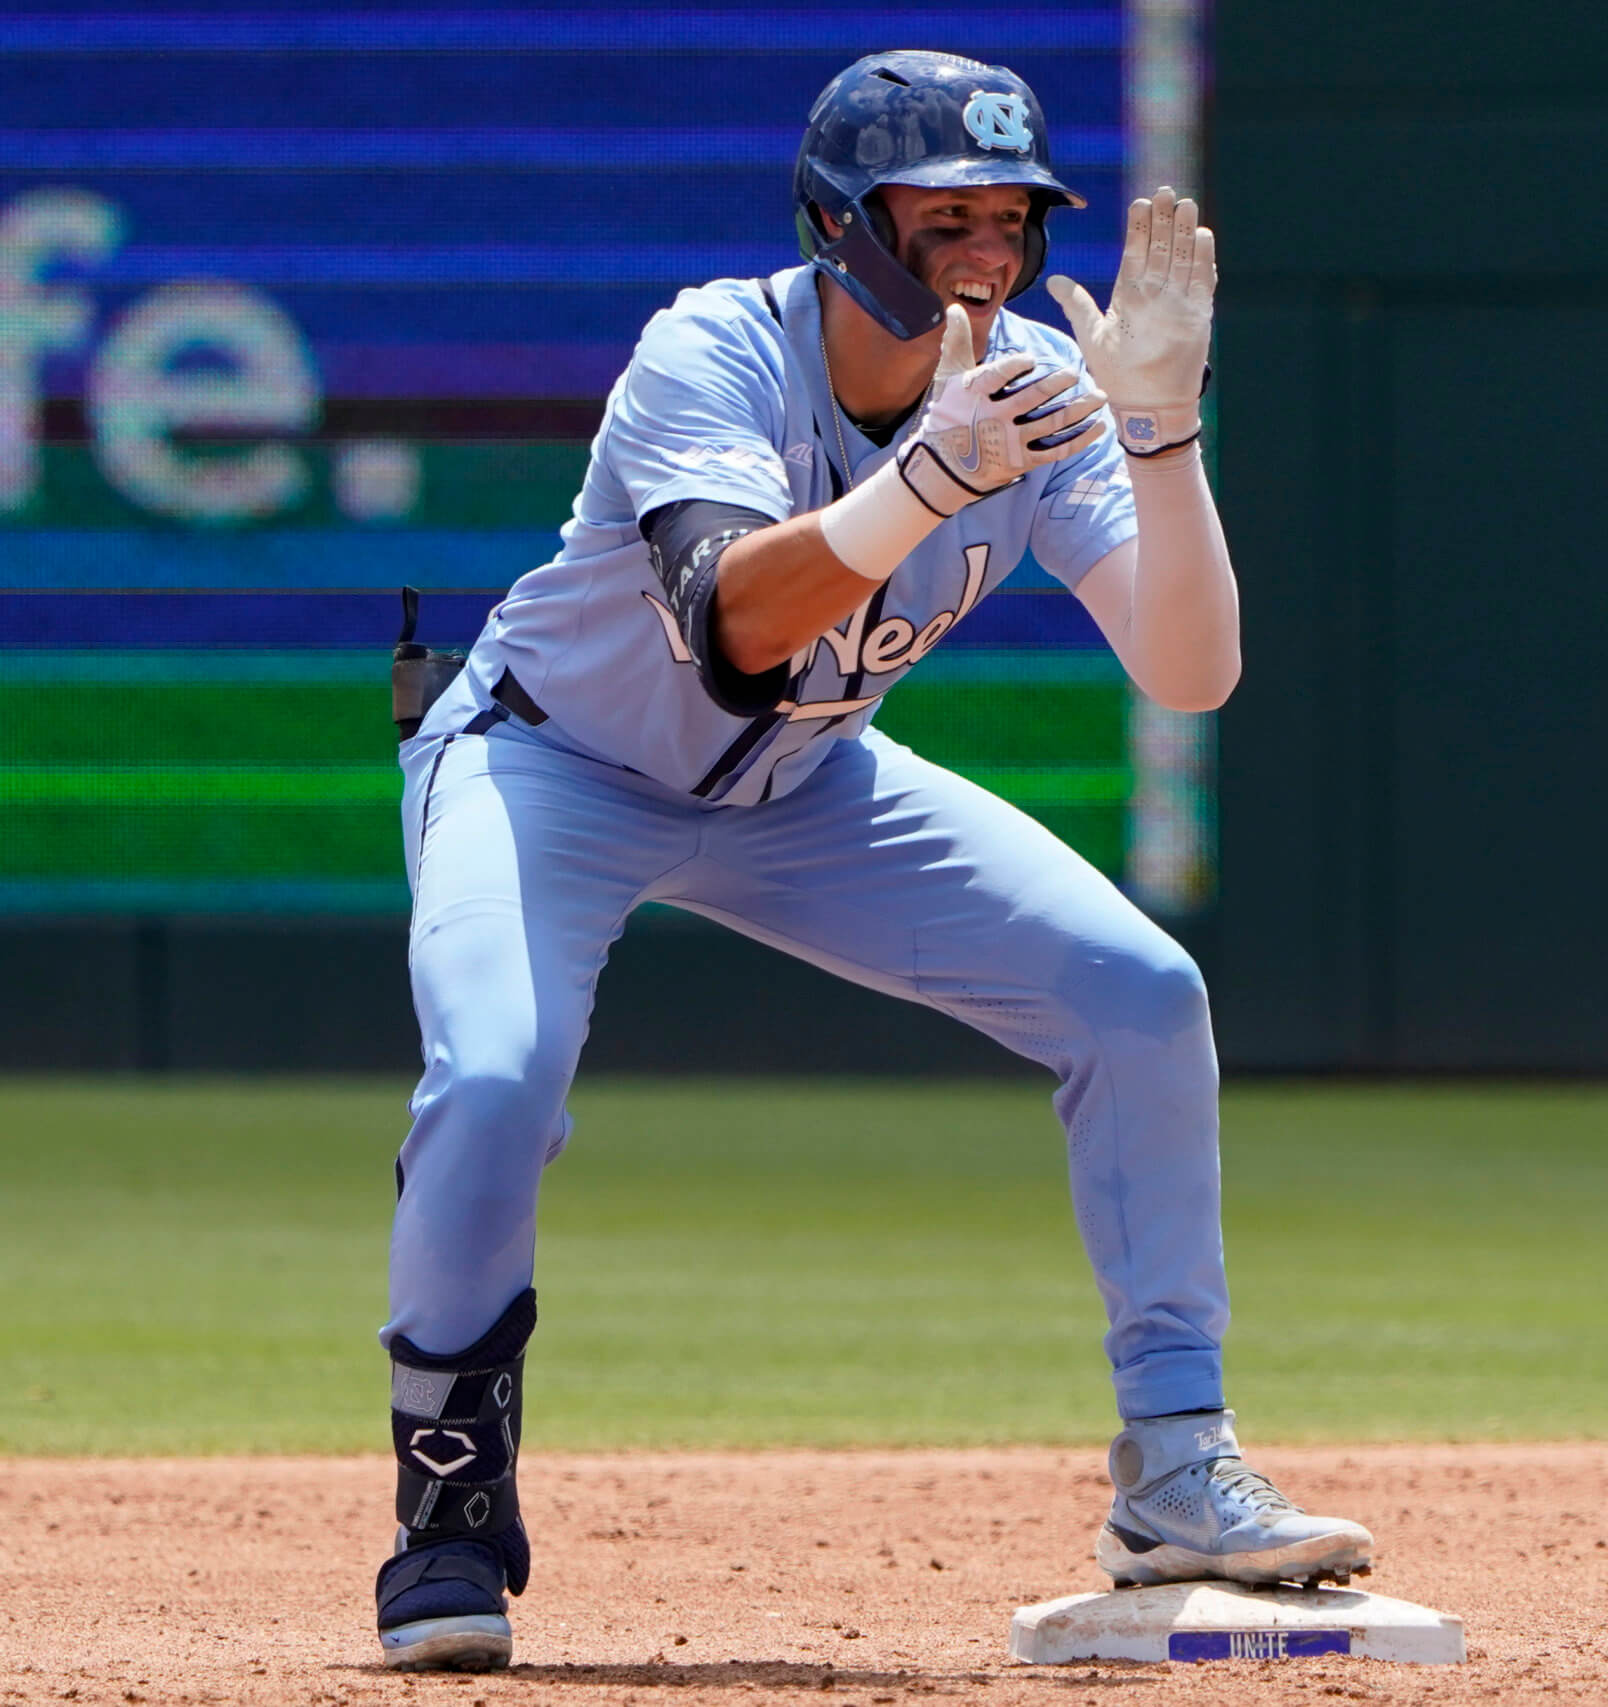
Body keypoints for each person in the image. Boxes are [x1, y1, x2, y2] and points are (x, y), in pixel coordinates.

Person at [370, 50, 1374, 1674]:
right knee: (495, 1073)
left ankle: (1178, 1466)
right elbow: (734, 631)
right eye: (945, 212)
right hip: (549, 760)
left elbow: (1190, 673)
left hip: (807, 788)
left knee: (1137, 994)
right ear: (843, 221)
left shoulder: (1040, 390)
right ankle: (448, 1508)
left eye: (1013, 214)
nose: (988, 245)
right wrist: (927, 481)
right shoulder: (712, 346)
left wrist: (1165, 436)